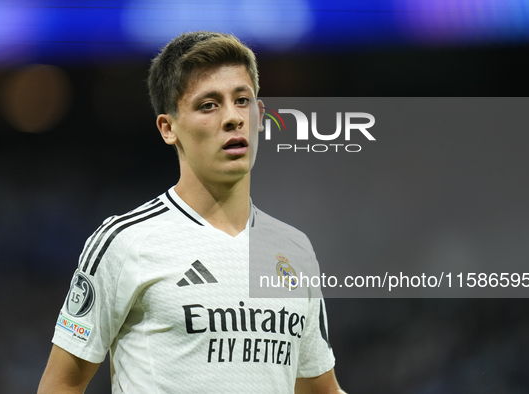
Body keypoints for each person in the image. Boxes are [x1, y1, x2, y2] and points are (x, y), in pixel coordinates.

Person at [38, 31, 345, 394]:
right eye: (209, 105)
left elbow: (320, 389)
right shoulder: (125, 242)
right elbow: (62, 385)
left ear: (260, 115)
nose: (233, 118)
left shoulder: (294, 250)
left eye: (243, 100)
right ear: (168, 128)